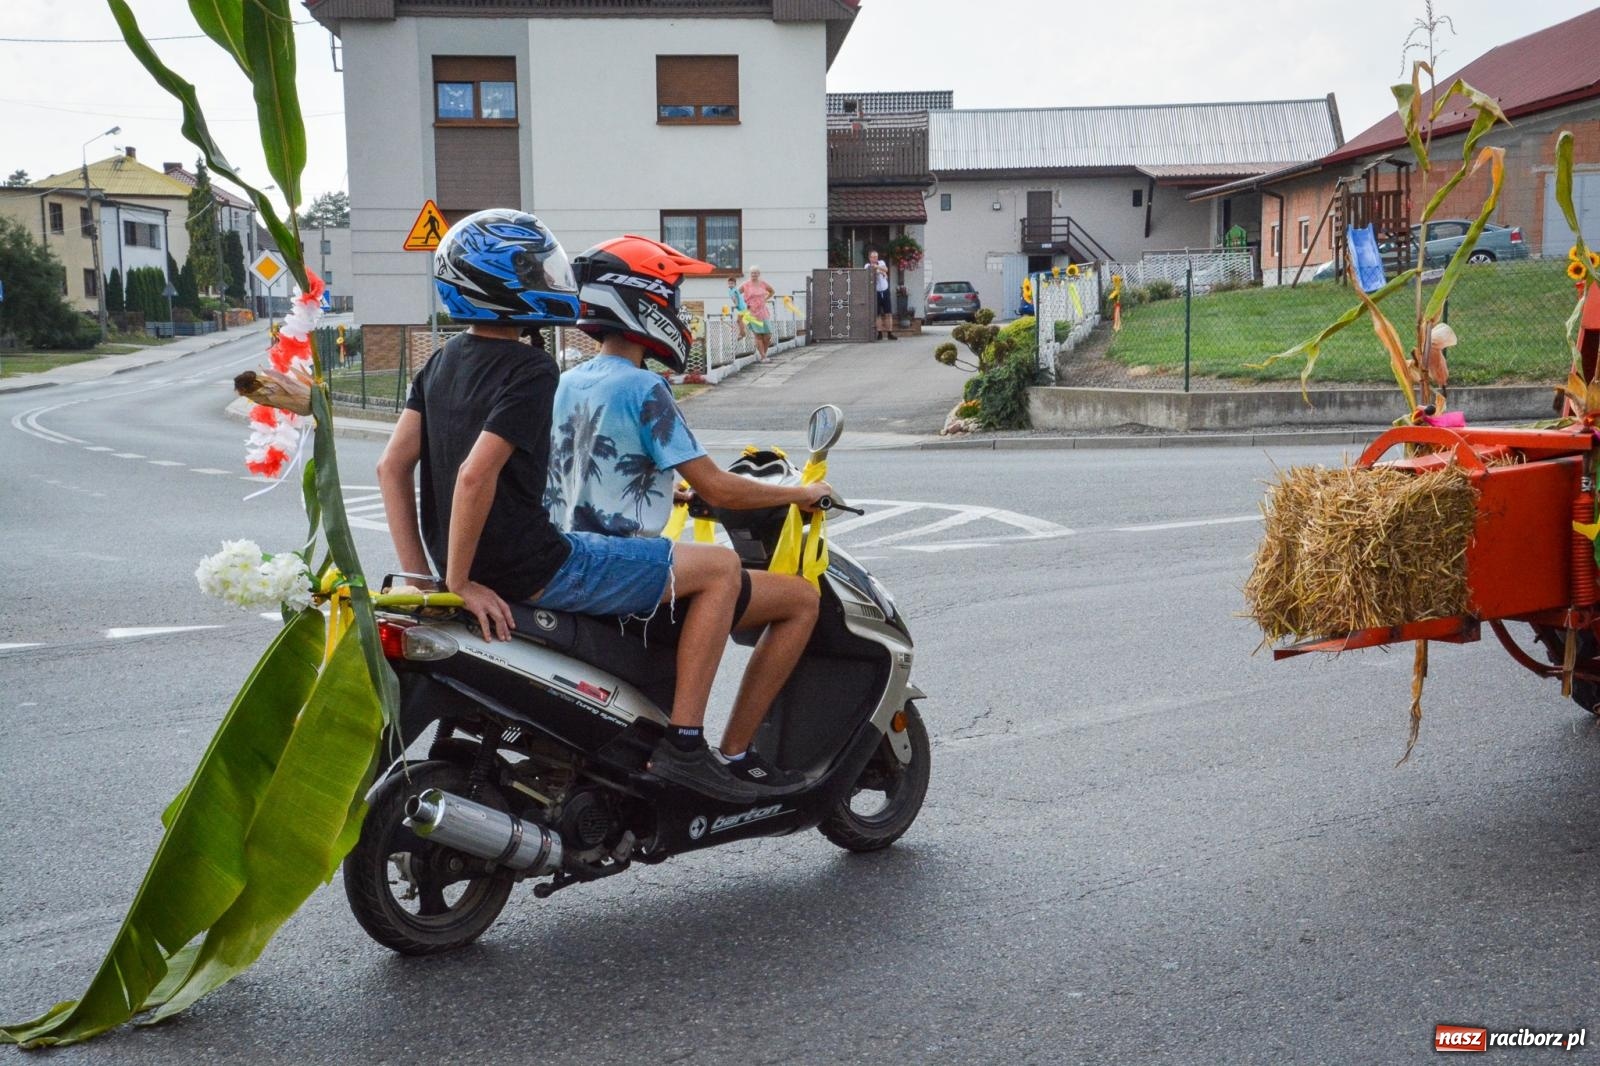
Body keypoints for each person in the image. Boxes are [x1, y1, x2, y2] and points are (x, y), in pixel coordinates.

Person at [376, 212, 777, 802]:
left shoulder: (439, 362)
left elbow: (391, 467)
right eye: (536, 269)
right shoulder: (530, 366)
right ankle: (687, 747)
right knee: (719, 570)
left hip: (485, 564)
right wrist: (459, 584)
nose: (552, 279)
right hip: (539, 566)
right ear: (502, 282)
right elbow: (473, 477)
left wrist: (425, 576)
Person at [549, 235, 835, 794]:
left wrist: (669, 494)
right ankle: (716, 751)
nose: (676, 314)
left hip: (571, 555)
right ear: (646, 305)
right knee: (799, 599)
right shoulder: (644, 387)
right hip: (623, 568)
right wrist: (798, 495)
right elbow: (720, 488)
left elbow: (589, 468)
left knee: (718, 571)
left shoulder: (567, 381)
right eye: (672, 301)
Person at [740, 265, 776, 362]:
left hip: (763, 311)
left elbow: (772, 291)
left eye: (756, 273)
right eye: (752, 273)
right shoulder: (746, 284)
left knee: (767, 335)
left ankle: (763, 354)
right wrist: (743, 304)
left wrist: (765, 299)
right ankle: (763, 356)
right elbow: (736, 294)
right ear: (750, 274)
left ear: (759, 274)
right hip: (752, 312)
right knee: (758, 335)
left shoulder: (762, 283)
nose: (754, 275)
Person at [867, 248, 895, 340]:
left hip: (885, 290)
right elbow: (869, 272)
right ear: (869, 258)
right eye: (873, 257)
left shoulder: (881, 262)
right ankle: (879, 333)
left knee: (888, 313)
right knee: (878, 314)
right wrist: (879, 271)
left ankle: (890, 333)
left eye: (876, 257)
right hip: (876, 292)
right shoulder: (867, 265)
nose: (875, 258)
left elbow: (885, 269)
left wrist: (877, 268)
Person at [726, 272, 747, 341]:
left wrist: (736, 305)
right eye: (729, 283)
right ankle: (742, 333)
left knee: (739, 320)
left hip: (742, 308)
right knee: (739, 321)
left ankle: (742, 334)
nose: (730, 285)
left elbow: (736, 298)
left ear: (735, 284)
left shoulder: (734, 290)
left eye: (732, 284)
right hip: (741, 308)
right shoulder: (730, 290)